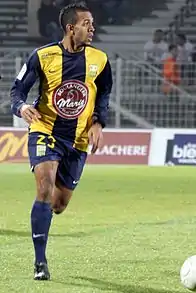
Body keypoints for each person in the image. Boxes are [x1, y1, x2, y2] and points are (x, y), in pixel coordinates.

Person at [10, 2, 113, 281]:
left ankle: (43, 218)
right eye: (86, 23)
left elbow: (103, 94)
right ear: (71, 28)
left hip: (78, 140)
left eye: (92, 23)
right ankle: (40, 262)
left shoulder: (100, 60)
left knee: (58, 204)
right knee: (44, 187)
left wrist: (98, 122)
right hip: (44, 129)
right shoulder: (42, 56)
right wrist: (21, 107)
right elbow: (17, 90)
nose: (92, 28)